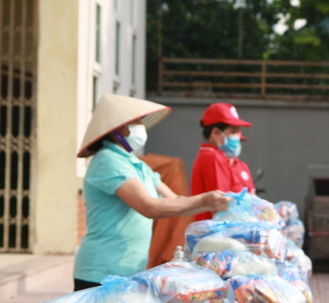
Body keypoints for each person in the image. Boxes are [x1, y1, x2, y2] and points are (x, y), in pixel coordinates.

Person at [74, 93, 230, 291]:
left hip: (129, 270)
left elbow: (174, 200)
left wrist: (213, 203)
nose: (141, 126)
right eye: (137, 121)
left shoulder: (135, 164)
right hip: (100, 272)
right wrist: (204, 200)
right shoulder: (108, 161)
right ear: (119, 128)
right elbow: (149, 207)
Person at [190, 102, 256, 221]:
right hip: (218, 235)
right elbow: (221, 207)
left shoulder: (215, 156)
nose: (237, 138)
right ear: (215, 133)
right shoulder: (212, 157)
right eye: (233, 132)